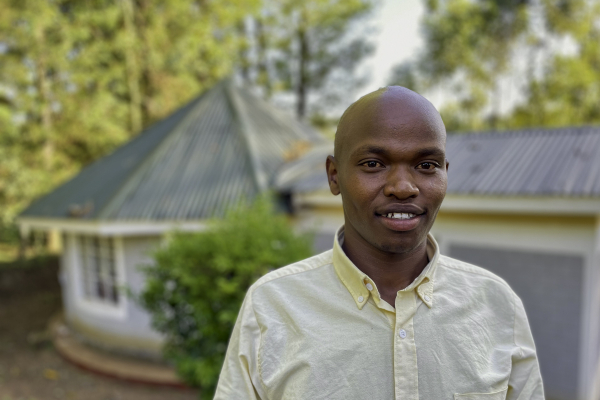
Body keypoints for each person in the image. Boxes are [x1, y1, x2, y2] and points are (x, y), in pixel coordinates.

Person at [214, 86, 544, 399]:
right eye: (373, 164)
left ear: (445, 173)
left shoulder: (497, 306)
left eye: (426, 165)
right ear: (334, 175)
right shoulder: (271, 307)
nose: (402, 187)